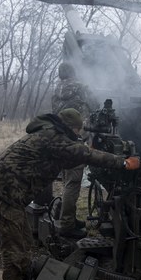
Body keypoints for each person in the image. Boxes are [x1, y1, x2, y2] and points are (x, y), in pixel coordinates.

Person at [0, 108, 140, 280]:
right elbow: (82, 153)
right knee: (14, 245)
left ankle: (24, 276)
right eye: (76, 130)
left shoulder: (50, 133)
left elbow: (72, 154)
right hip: (6, 191)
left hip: (11, 190)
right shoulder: (52, 137)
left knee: (23, 239)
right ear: (70, 127)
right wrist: (124, 163)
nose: (77, 135)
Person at [51, 62, 98, 239]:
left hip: (58, 138)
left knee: (67, 180)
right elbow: (96, 106)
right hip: (76, 137)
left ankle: (67, 216)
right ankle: (67, 224)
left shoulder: (57, 90)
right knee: (74, 182)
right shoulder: (81, 87)